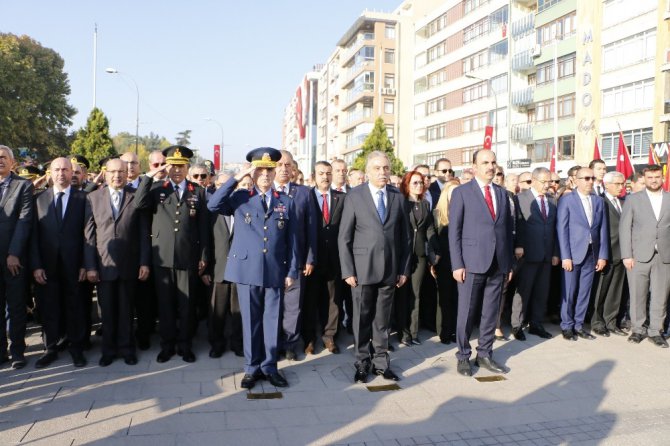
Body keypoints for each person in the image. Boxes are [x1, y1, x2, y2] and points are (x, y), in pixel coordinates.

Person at [207, 147, 298, 389]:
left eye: (270, 170)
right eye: (260, 170)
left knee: (271, 320)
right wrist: (237, 177)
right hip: (247, 270)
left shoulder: (285, 202)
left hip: (274, 270)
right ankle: (251, 368)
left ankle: (269, 367)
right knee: (250, 321)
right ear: (253, 173)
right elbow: (213, 204)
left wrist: (292, 272)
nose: (266, 175)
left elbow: (293, 241)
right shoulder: (241, 198)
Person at [338, 151, 411, 384]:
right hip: (361, 269)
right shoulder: (355, 196)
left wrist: (403, 269)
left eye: (386, 168)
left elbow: (405, 238)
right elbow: (344, 237)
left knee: (382, 321)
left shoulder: (397, 197)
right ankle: (361, 363)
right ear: (368, 171)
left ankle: (381, 363)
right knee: (361, 318)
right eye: (378, 168)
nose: (383, 172)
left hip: (389, 269)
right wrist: (348, 270)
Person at [135, 145, 210, 363]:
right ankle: (167, 345)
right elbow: (139, 204)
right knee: (165, 306)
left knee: (187, 306)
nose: (177, 170)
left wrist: (204, 256)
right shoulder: (157, 188)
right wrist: (149, 176)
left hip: (188, 258)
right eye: (173, 166)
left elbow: (203, 228)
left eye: (181, 166)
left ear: (187, 167)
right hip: (163, 258)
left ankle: (185, 345)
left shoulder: (198, 192)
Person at [448, 149, 513, 377]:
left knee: (490, 312)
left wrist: (509, 264)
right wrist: (457, 264)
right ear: (474, 166)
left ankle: (485, 353)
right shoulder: (462, 192)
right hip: (472, 262)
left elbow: (506, 231)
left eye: (493, 162)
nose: (490, 166)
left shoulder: (502, 194)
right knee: (466, 312)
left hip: (498, 263)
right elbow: (454, 231)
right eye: (485, 162)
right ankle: (463, 355)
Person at [83, 158, 151, 366]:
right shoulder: (93, 197)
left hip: (130, 265)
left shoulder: (134, 196)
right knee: (108, 312)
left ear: (127, 173)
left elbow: (143, 233)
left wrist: (144, 262)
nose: (117, 175)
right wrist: (90, 266)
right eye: (113, 172)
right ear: (105, 173)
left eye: (122, 171)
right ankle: (108, 351)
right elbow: (88, 235)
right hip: (103, 265)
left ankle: (127, 349)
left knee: (126, 311)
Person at [31, 157, 89, 368]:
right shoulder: (38, 199)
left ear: (72, 172)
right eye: (56, 169)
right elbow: (33, 236)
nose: (61, 173)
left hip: (74, 264)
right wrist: (36, 265)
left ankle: (77, 347)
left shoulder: (84, 199)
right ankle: (51, 348)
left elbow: (88, 235)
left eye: (65, 169)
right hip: (46, 266)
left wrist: (85, 263)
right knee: (48, 306)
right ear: (50, 173)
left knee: (75, 306)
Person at [620, 165, 670, 348]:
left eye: (657, 177)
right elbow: (625, 228)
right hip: (638, 256)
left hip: (664, 256)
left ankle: (656, 331)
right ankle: (638, 329)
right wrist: (626, 255)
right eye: (650, 177)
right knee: (637, 294)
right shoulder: (633, 199)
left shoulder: (669, 198)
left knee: (660, 296)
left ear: (662, 177)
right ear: (645, 178)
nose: (654, 180)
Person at [274, 150, 317, 360]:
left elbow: (311, 228)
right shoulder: (265, 192)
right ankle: (272, 343)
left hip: (297, 260)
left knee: (293, 306)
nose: (283, 169)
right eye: (279, 165)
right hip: (270, 260)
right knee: (272, 305)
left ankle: (290, 343)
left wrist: (310, 257)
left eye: (287, 165)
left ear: (293, 168)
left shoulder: (304, 193)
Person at [557, 167, 608, 341]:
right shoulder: (567, 200)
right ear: (576, 180)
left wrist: (602, 255)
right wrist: (565, 256)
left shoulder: (599, 201)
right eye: (586, 178)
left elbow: (603, 229)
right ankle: (567, 326)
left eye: (592, 178)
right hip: (572, 254)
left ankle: (578, 325)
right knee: (569, 292)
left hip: (591, 254)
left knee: (584, 292)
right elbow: (561, 229)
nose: (590, 181)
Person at [302, 161, 346, 355]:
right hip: (311, 259)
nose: (325, 177)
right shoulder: (305, 197)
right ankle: (309, 338)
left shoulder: (342, 198)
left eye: (329, 173)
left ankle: (330, 336)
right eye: (321, 173)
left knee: (333, 300)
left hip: (334, 258)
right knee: (310, 300)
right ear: (314, 176)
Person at [510, 167, 558, 341]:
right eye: (544, 182)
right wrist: (519, 246)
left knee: (541, 291)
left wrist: (555, 252)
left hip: (546, 254)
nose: (547, 185)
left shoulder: (552, 201)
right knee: (524, 290)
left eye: (549, 181)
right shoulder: (520, 199)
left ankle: (536, 324)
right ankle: (517, 324)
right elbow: (517, 224)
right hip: (527, 253)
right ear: (534, 180)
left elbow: (555, 228)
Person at [0, 145, 33, 369]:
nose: (0, 161)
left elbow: (24, 221)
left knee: (16, 306)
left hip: (13, 259)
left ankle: (18, 351)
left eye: (3, 157)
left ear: (12, 162)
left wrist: (14, 253)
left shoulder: (23, 186)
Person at [203, 171, 243, 358]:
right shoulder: (211, 209)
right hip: (217, 267)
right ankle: (216, 343)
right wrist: (205, 268)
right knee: (216, 311)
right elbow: (205, 240)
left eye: (230, 185)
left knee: (238, 311)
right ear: (215, 186)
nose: (225, 190)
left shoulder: (241, 205)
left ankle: (237, 343)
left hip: (239, 269)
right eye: (221, 185)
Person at [396, 171, 435, 346]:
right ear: (407, 184)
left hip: (419, 254)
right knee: (402, 294)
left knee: (416, 293)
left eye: (421, 183)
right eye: (415, 183)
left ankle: (413, 331)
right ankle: (402, 331)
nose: (419, 185)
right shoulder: (401, 203)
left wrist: (434, 252)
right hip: (402, 254)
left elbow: (429, 230)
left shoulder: (425, 204)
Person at [591, 171, 627, 337]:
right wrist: (601, 254)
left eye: (623, 183)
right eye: (617, 184)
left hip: (622, 253)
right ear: (607, 184)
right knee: (601, 289)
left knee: (616, 290)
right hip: (606, 252)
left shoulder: (624, 201)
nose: (621, 187)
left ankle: (611, 322)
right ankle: (597, 322)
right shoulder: (600, 202)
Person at [429, 182, 459, 344]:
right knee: (445, 298)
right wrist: (433, 261)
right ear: (445, 194)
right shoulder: (437, 214)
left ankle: (455, 330)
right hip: (443, 261)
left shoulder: (463, 211)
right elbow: (432, 238)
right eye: (452, 193)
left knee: (457, 297)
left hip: (460, 261)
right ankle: (444, 332)